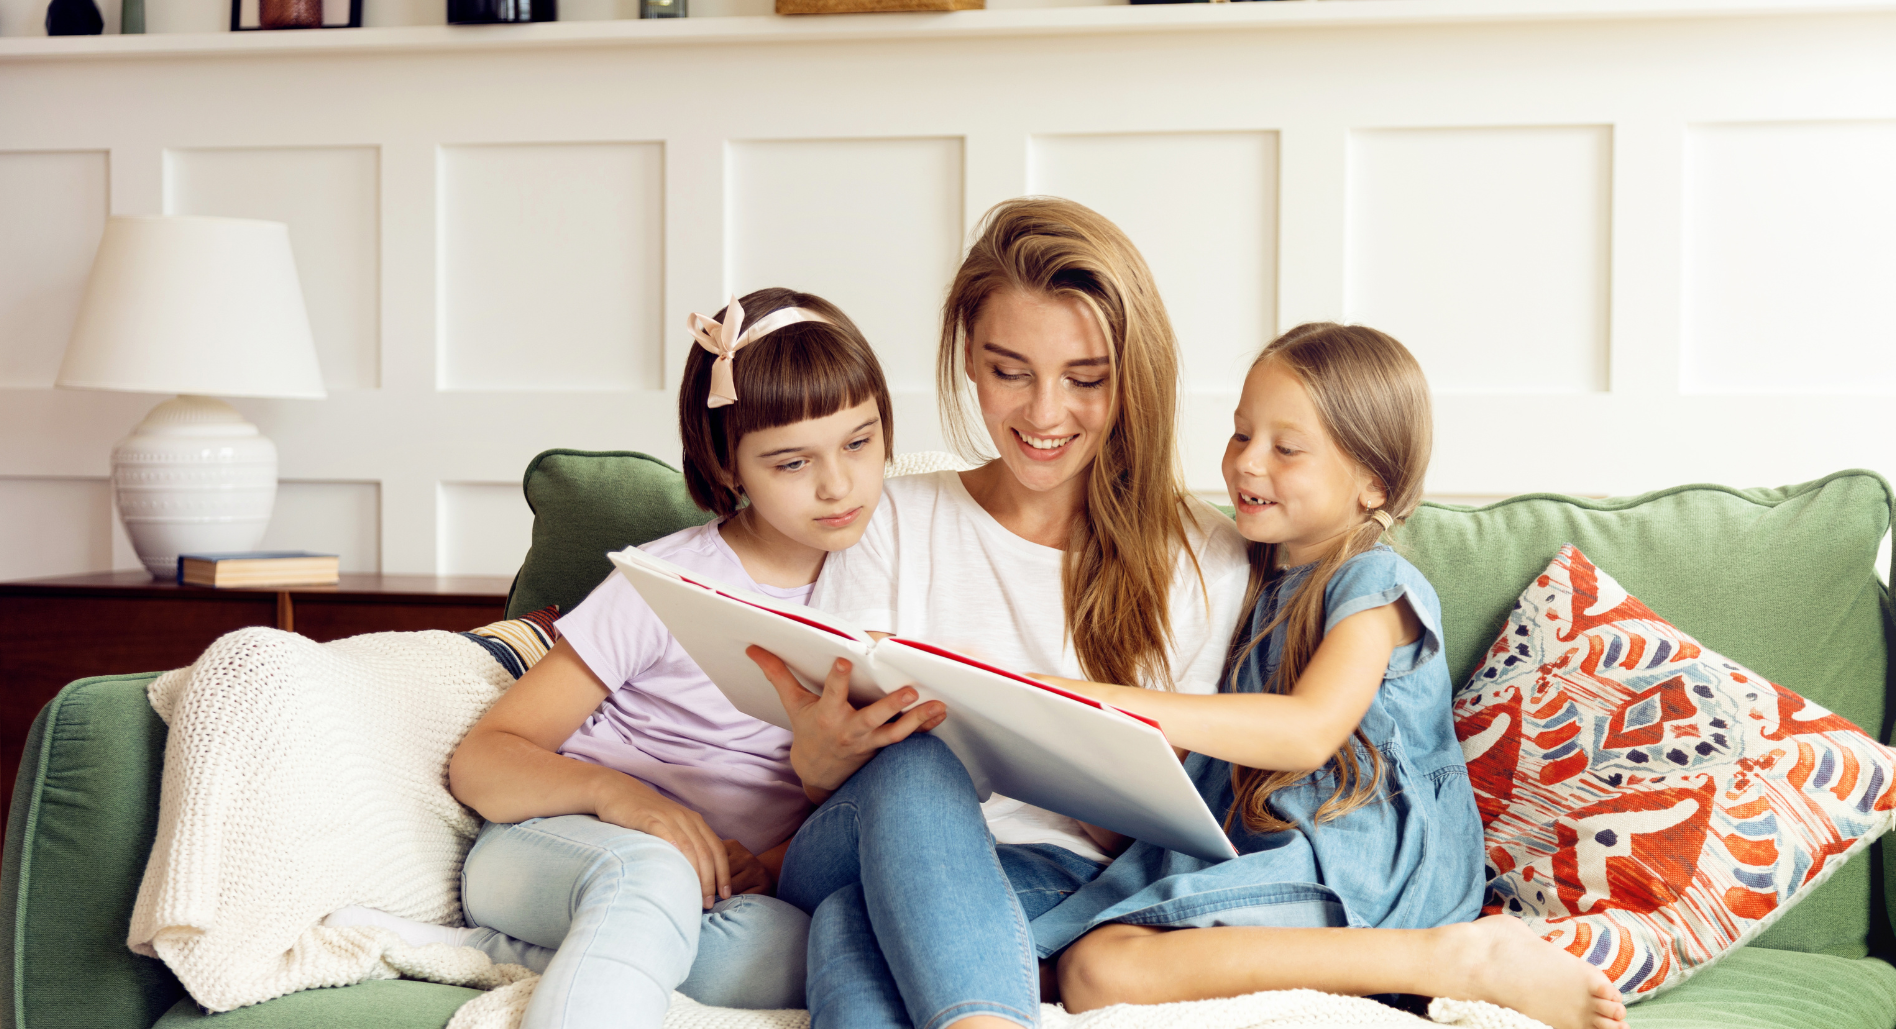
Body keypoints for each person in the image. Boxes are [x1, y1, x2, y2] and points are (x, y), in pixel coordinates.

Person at [331, 288, 939, 1029]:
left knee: (819, 947)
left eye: (859, 442)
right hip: (558, 849)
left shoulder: (891, 589)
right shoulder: (664, 584)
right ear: (729, 463)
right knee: (649, 875)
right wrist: (624, 800)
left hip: (719, 891)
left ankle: (514, 953)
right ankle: (559, 942)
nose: (839, 484)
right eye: (792, 462)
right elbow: (484, 761)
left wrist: (767, 865)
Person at [1021, 322, 1631, 1029]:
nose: (1248, 464)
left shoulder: (1375, 585)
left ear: (1373, 481)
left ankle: (1452, 960)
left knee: (1101, 969)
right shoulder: (1256, 584)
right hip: (1272, 845)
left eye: (1286, 449)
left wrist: (1106, 703)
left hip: (1365, 861)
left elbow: (1308, 732)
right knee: (1055, 956)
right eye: (1240, 434)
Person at [747, 198, 1252, 1029]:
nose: (1044, 415)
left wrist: (1055, 752)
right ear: (969, 363)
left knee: (853, 923)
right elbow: (828, 777)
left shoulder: (1207, 557)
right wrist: (819, 757)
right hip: (853, 834)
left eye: (1085, 379)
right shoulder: (893, 517)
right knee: (915, 765)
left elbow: (1165, 833)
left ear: (1134, 379)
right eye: (1010, 371)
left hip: (1056, 876)